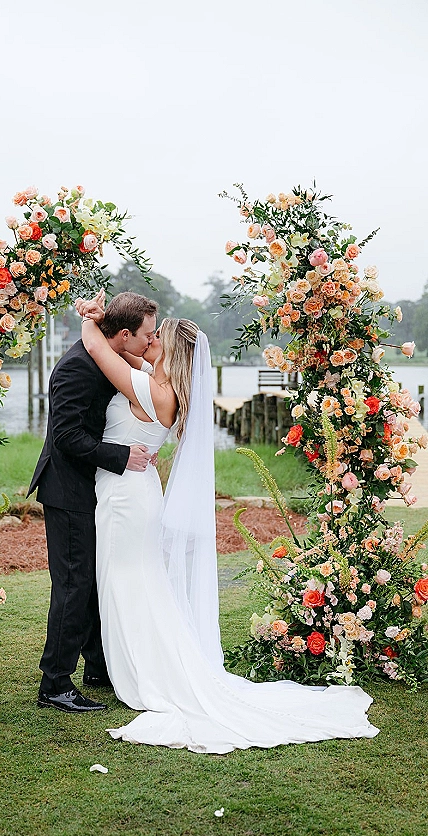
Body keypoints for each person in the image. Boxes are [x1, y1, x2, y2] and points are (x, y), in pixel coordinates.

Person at [75, 295, 379, 753]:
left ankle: (143, 675)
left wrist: (89, 319)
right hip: (132, 493)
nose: (149, 340)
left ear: (172, 352)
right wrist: (118, 330)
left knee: (125, 582)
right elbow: (126, 349)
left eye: (158, 336)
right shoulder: (155, 381)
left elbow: (99, 349)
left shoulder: (153, 390)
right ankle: (133, 667)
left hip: (127, 500)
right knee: (133, 581)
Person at [28, 292, 158, 713]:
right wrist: (121, 457)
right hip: (68, 490)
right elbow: (65, 437)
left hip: (94, 489)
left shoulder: (103, 356)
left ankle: (99, 665)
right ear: (123, 335)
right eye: (145, 336)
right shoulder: (75, 369)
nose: (148, 343)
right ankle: (55, 683)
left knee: (92, 580)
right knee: (73, 583)